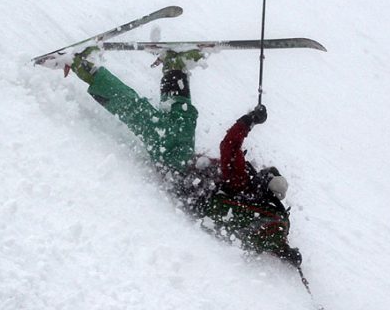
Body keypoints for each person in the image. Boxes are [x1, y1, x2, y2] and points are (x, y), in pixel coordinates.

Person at [69, 46, 302, 267]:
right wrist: (285, 252)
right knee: (183, 119)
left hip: (179, 171)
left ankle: (84, 69)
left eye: (267, 174)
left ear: (265, 184)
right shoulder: (258, 209)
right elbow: (267, 238)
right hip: (185, 172)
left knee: (145, 116)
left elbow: (229, 145)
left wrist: (249, 120)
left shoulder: (244, 183)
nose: (263, 170)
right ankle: (174, 68)